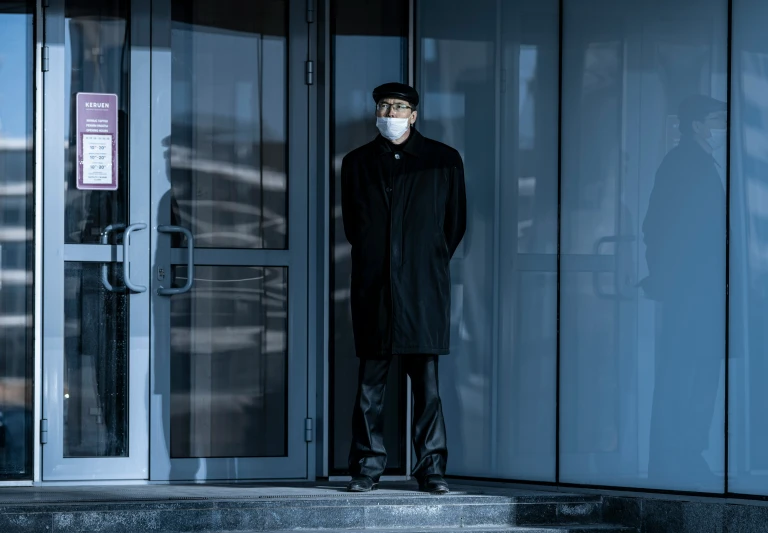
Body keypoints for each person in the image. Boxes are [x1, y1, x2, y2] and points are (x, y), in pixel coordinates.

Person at [340, 82, 467, 494]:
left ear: (414, 115)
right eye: (383, 106)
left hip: (421, 289)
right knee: (369, 387)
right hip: (375, 286)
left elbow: (455, 224)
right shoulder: (358, 162)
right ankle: (366, 468)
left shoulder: (442, 161)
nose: (389, 114)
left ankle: (432, 470)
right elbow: (353, 227)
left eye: (398, 107)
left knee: (427, 386)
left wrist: (425, 261)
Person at [641, 94, 727, 487]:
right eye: (715, 120)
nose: (721, 127)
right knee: (689, 372)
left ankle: (683, 455)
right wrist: (670, 278)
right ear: (696, 126)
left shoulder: (698, 163)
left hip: (697, 291)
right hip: (693, 292)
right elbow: (658, 226)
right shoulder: (684, 165)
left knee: (694, 371)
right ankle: (681, 457)